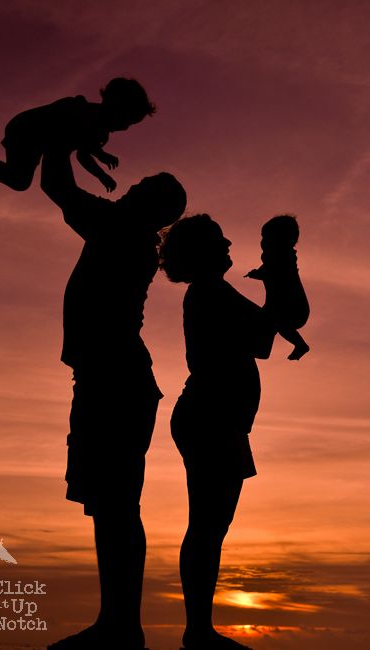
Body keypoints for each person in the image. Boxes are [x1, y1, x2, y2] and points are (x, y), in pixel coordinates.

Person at [41, 147, 186, 650]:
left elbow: (57, 189)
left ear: (150, 206)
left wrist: (56, 135)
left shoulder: (120, 228)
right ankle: (117, 624)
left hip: (114, 380)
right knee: (113, 504)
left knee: (117, 504)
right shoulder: (127, 232)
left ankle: (120, 627)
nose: (129, 189)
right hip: (112, 377)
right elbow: (60, 192)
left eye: (141, 188)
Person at [160, 214, 288, 650]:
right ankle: (198, 632)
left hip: (216, 418)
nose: (229, 241)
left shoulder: (214, 292)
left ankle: (199, 629)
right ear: (201, 252)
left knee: (210, 526)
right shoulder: (210, 293)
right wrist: (277, 277)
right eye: (219, 239)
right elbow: (264, 340)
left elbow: (265, 337)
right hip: (210, 417)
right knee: (207, 527)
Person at [0, 77, 156, 199]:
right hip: (26, 129)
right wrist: (100, 154)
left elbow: (82, 155)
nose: (125, 127)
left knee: (19, 180)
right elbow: (78, 137)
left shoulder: (101, 133)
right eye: (126, 119)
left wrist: (100, 174)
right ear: (114, 107)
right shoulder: (85, 112)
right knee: (19, 180)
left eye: (130, 124)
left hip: (38, 140)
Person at [245, 214, 310, 360]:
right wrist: (258, 273)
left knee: (278, 324)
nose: (263, 242)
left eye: (266, 238)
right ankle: (260, 348)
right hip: (276, 305)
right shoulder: (274, 257)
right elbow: (268, 270)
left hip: (292, 306)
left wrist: (259, 274)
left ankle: (300, 344)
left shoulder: (284, 257)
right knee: (264, 325)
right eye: (262, 237)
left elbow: (276, 272)